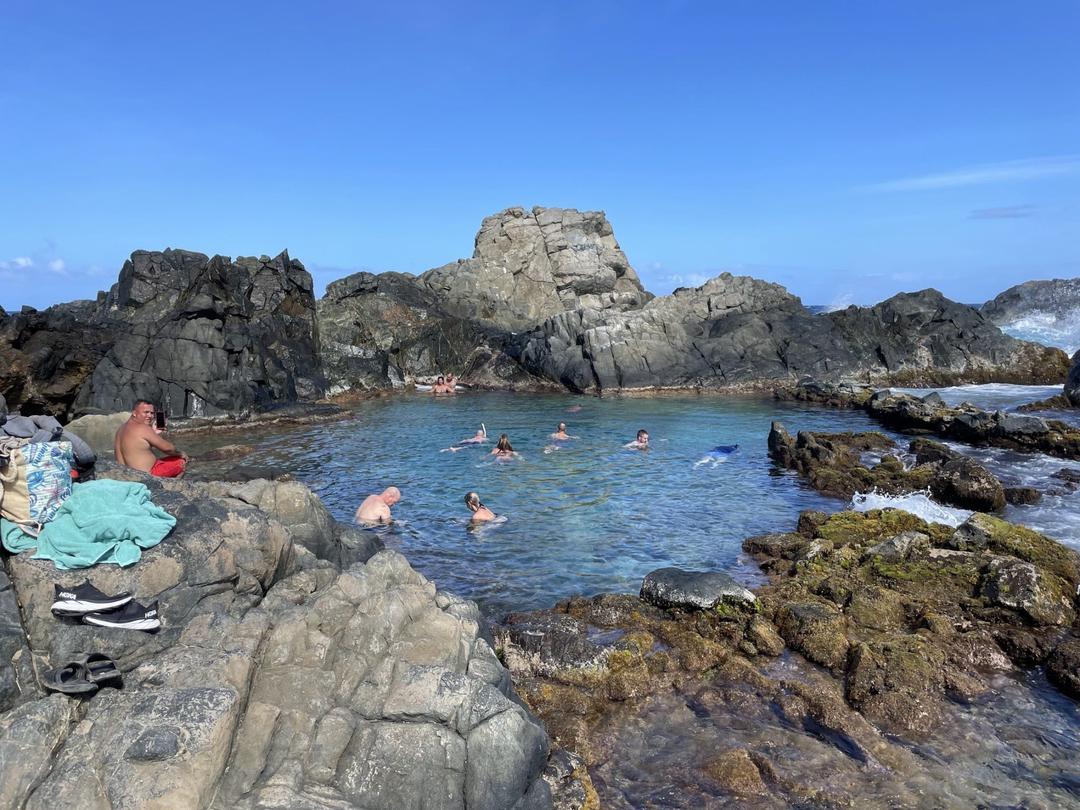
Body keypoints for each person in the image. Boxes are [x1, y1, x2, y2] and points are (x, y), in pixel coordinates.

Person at [114, 399, 188, 477]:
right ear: (134, 413)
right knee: (181, 461)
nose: (150, 416)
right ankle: (173, 486)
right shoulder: (142, 428)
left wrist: (154, 433)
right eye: (146, 412)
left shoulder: (121, 429)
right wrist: (181, 453)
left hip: (126, 475)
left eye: (152, 413)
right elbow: (168, 449)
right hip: (146, 476)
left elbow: (139, 445)